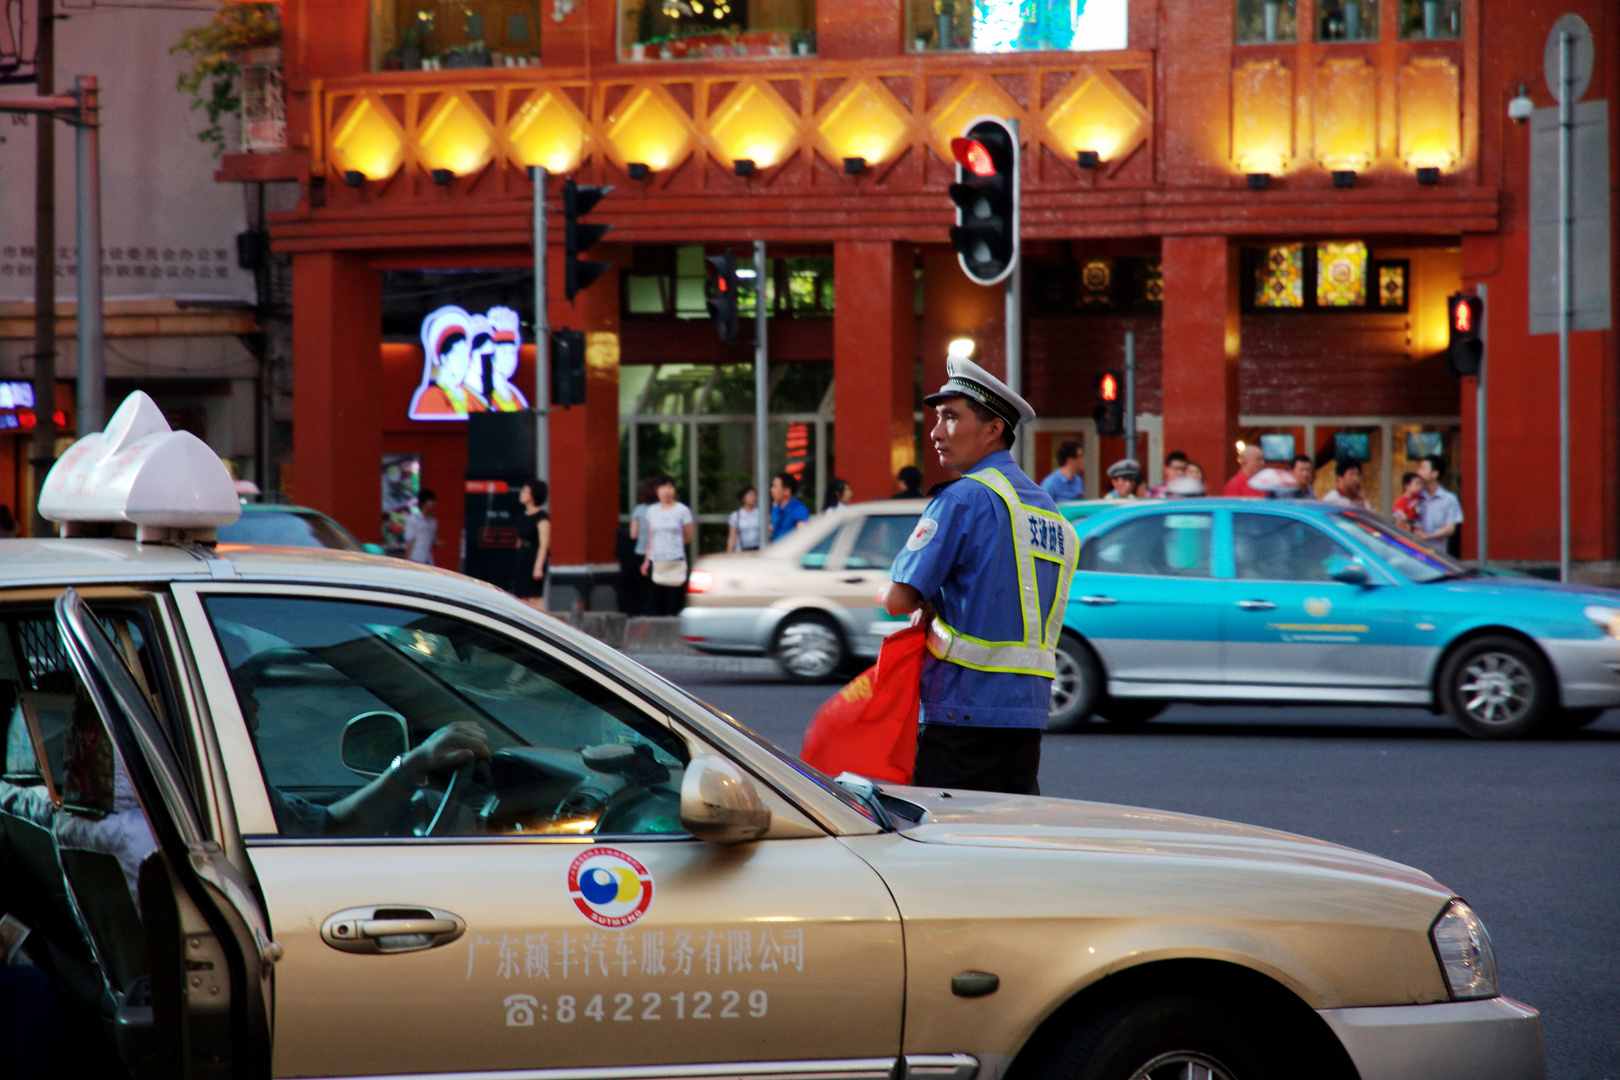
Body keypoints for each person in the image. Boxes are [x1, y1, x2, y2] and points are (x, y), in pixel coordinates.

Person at [883, 355, 1077, 795]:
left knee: (943, 850)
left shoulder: (963, 499)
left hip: (961, 713)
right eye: (937, 417)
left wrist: (915, 597)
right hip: (1025, 718)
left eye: (952, 417)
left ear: (993, 430)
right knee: (1005, 848)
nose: (935, 432)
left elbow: (898, 599)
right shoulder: (1048, 510)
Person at [641, 475, 694, 616]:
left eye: (670, 487)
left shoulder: (682, 510)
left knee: (674, 604)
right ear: (657, 491)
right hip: (657, 562)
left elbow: (688, 536)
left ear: (675, 490)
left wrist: (673, 545)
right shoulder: (652, 511)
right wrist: (646, 562)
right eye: (663, 487)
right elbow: (652, 538)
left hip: (675, 562)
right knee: (655, 605)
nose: (666, 491)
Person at [512, 478, 550, 610]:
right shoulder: (522, 516)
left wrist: (538, 566)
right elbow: (519, 538)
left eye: (525, 491)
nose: (521, 493)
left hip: (534, 557)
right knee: (521, 596)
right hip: (522, 557)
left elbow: (544, 544)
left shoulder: (541, 517)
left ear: (533, 495)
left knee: (534, 597)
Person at [1414, 454, 1464, 553]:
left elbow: (1450, 529)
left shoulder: (1449, 499)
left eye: (1423, 468)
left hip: (1438, 556)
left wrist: (1427, 536)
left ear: (1434, 474)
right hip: (1414, 554)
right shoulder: (1415, 497)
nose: (1418, 472)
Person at [626, 476, 661, 614]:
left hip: (639, 553)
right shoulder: (661, 510)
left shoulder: (639, 510)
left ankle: (640, 613)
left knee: (641, 589)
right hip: (657, 555)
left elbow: (633, 534)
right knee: (655, 589)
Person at [403, 488, 441, 565]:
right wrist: (407, 560)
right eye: (431, 501)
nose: (434, 503)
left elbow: (432, 540)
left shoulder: (433, 522)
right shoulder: (413, 520)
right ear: (424, 503)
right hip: (415, 558)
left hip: (428, 559)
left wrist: (438, 543)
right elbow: (409, 541)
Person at [727, 486, 763, 552]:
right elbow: (732, 537)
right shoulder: (736, 515)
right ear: (743, 498)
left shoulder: (760, 514)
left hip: (758, 550)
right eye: (750, 495)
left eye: (754, 495)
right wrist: (729, 553)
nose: (753, 497)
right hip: (741, 551)